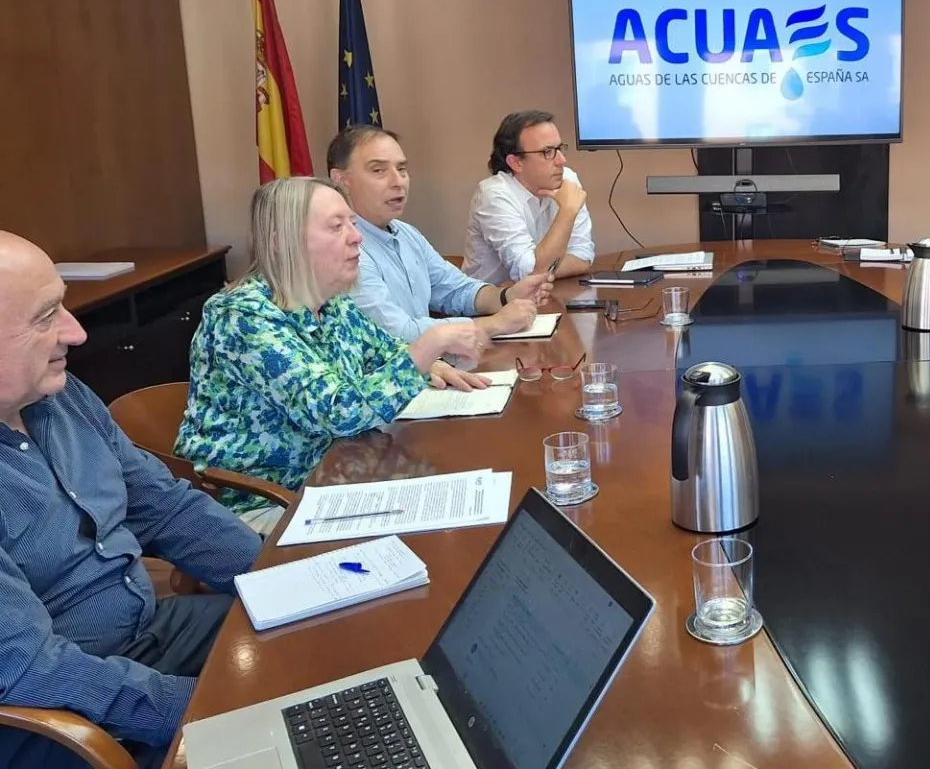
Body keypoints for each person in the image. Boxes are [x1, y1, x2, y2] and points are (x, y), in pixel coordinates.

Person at [0, 231, 262, 769]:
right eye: (46, 316)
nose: (75, 332)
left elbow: (164, 507)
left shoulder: (63, 397)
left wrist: (282, 579)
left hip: (145, 633)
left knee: (313, 637)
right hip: (55, 718)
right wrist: (206, 708)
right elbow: (30, 669)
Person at [175, 177, 486, 534]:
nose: (357, 237)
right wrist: (427, 348)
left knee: (459, 495)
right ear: (281, 242)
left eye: (352, 223)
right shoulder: (242, 316)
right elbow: (337, 412)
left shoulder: (333, 302)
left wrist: (431, 364)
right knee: (431, 534)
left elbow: (387, 353)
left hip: (337, 476)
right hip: (259, 503)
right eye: (337, 227)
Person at [327, 124, 551, 342]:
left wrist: (506, 297)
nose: (398, 182)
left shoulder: (406, 233)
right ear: (341, 180)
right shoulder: (343, 248)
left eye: (402, 169)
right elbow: (395, 333)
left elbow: (454, 288)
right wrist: (494, 324)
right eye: (378, 171)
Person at [463, 109, 595, 283]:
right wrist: (567, 212)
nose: (561, 160)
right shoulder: (493, 195)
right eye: (547, 152)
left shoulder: (567, 179)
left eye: (560, 149)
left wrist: (543, 269)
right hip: (492, 299)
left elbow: (583, 256)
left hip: (546, 293)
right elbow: (529, 273)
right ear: (516, 162)